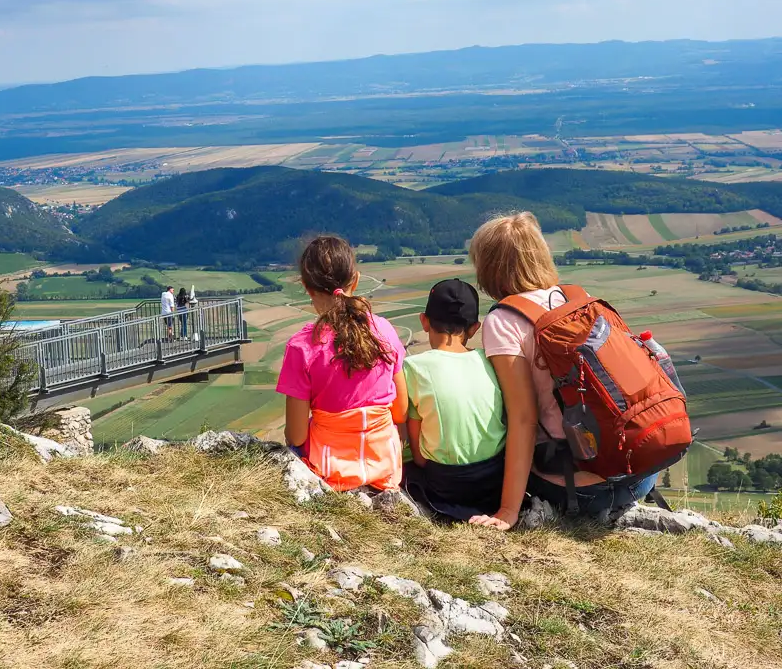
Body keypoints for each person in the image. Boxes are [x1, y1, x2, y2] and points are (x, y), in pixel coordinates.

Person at [469, 212, 658, 531]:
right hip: (640, 474)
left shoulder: (503, 322)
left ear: (489, 267)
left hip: (582, 492)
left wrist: (507, 512)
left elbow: (523, 419)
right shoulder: (578, 299)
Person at [276, 235, 408, 491]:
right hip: (385, 468)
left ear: (306, 286)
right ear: (355, 280)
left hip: (328, 470)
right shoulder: (385, 331)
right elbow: (401, 410)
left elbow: (296, 435)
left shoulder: (301, 346)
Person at [402, 279, 506, 520]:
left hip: (446, 487)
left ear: (424, 321)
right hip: (495, 481)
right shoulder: (490, 360)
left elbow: (418, 456)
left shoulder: (413, 368)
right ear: (474, 328)